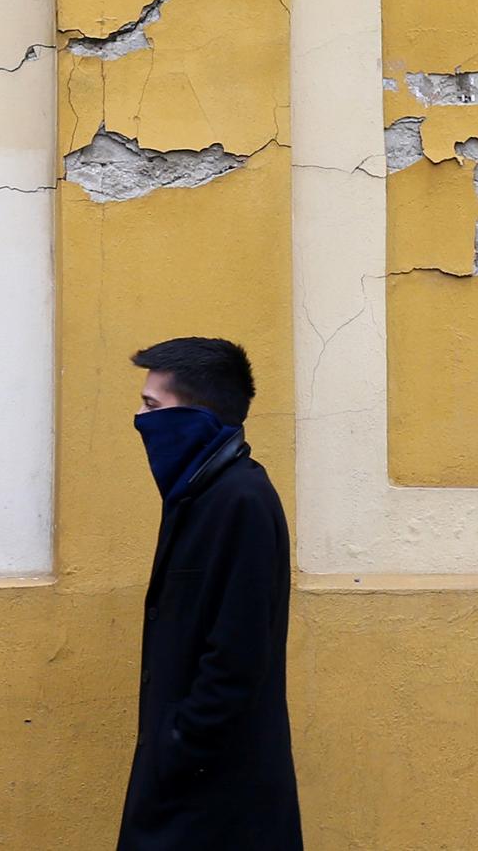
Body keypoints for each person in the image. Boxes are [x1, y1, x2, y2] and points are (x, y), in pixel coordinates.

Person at [117, 336, 302, 850]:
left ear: (195, 416)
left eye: (152, 406)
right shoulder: (201, 494)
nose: (140, 418)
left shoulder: (238, 500)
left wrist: (180, 744)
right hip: (195, 781)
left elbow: (237, 655)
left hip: (215, 791)